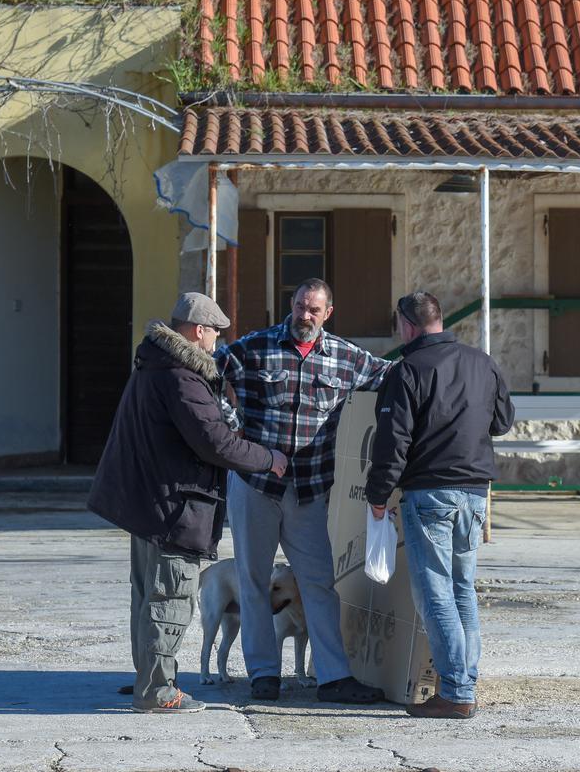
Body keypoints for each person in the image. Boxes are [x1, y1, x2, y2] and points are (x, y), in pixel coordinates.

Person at [88, 293, 287, 714]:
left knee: (147, 597)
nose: (217, 340)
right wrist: (269, 459)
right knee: (170, 599)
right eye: (215, 332)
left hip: (147, 503)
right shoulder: (181, 377)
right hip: (173, 506)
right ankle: (158, 692)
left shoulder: (152, 365)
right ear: (199, 331)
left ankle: (150, 680)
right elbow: (214, 441)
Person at [216, 278, 392, 704]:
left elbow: (393, 377)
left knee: (319, 583)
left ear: (328, 313)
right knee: (253, 579)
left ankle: (332, 678)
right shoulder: (254, 347)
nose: (304, 316)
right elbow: (207, 377)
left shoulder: (347, 358)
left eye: (313, 310)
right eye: (299, 307)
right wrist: (234, 431)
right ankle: (263, 675)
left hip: (309, 491)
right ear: (290, 306)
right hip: (255, 485)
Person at [365, 292, 515, 719]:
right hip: (475, 491)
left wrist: (378, 496)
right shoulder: (481, 362)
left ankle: (456, 691)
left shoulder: (407, 370)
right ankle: (464, 682)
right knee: (462, 589)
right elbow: (503, 422)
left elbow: (391, 444)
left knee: (435, 595)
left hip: (431, 493)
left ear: (407, 325)